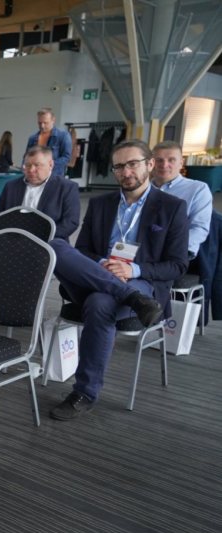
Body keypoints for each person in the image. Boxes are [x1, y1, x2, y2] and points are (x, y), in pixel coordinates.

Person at [47, 140, 189, 421]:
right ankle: (131, 298)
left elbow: (177, 265)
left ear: (149, 164)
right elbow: (83, 250)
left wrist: (132, 270)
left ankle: (85, 393)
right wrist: (103, 265)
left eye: (133, 164)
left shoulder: (172, 207)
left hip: (142, 281)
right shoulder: (101, 204)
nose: (126, 172)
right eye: (119, 167)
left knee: (100, 304)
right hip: (98, 277)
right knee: (55, 245)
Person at [0, 145, 81, 241]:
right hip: (12, 240)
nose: (31, 170)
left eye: (37, 165)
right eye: (27, 165)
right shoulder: (11, 186)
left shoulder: (66, 188)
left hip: (49, 241)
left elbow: (71, 222)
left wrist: (41, 238)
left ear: (50, 165)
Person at [151, 140, 213, 259]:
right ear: (151, 163)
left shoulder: (198, 189)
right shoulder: (142, 189)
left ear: (181, 163)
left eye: (171, 160)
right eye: (159, 160)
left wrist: (169, 249)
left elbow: (199, 229)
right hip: (141, 248)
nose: (164, 165)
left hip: (175, 253)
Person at [26, 107, 72, 178]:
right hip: (35, 177)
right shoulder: (32, 138)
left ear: (53, 120)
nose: (42, 126)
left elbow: (66, 158)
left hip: (54, 177)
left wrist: (46, 165)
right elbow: (26, 156)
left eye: (45, 123)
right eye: (39, 123)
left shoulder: (63, 136)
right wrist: (24, 169)